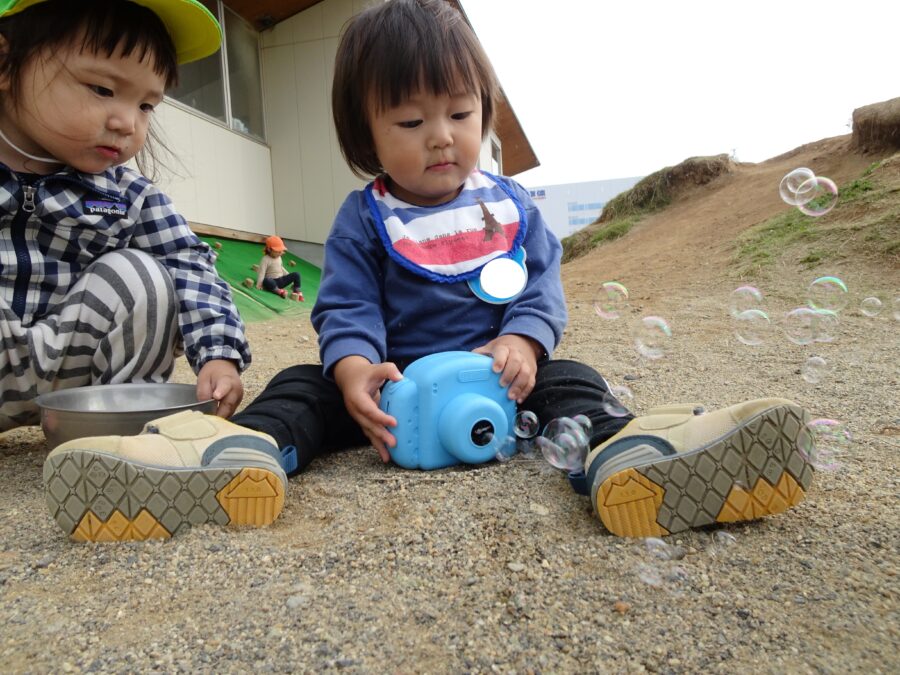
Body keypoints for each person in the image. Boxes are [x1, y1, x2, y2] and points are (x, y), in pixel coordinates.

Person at [49, 0, 815, 542]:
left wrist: (525, 340)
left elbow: (541, 285)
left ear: (483, 110)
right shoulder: (365, 217)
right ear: (367, 134)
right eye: (411, 121)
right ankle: (233, 456)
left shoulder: (508, 206)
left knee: (575, 381)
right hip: (390, 397)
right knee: (301, 388)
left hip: (503, 386)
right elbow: (346, 305)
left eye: (460, 113)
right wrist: (354, 372)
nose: (442, 136)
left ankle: (631, 457)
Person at [1, 0, 287, 541]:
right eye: (102, 89)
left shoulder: (127, 195)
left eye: (147, 105)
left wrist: (219, 352)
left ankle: (126, 450)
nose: (126, 123)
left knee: (146, 274)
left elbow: (189, 264)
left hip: (74, 383)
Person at [255, 235, 303, 301]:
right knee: (266, 280)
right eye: (278, 251)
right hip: (272, 282)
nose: (281, 253)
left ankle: (296, 289)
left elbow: (281, 268)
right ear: (269, 249)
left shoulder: (279, 258)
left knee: (296, 274)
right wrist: (259, 284)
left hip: (281, 280)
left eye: (281, 251)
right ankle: (278, 291)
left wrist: (289, 276)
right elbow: (262, 272)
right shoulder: (265, 259)